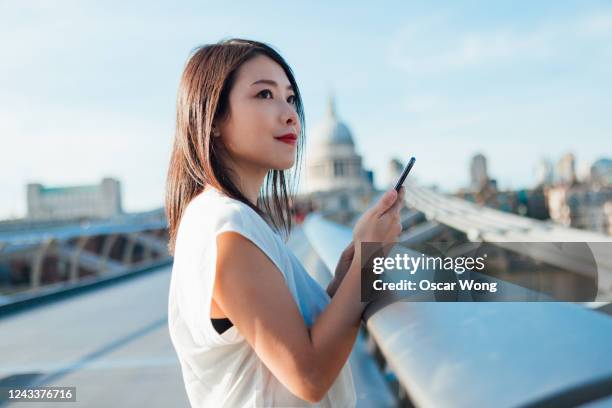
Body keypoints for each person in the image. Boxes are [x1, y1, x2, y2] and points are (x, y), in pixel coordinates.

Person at [165, 38, 405, 407]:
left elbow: (294, 333)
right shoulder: (228, 226)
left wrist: (353, 258)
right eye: (264, 95)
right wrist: (369, 260)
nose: (289, 113)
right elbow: (308, 376)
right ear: (212, 119)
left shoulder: (223, 217)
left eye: (290, 98)